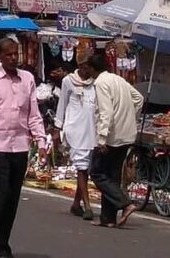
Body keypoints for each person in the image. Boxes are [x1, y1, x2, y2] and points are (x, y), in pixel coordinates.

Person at [0, 38, 46, 258]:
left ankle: (4, 239)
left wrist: (42, 141)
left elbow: (33, 114)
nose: (14, 58)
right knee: (2, 192)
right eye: (8, 54)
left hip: (20, 145)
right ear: (0, 56)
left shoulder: (27, 79)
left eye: (16, 54)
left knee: (13, 196)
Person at [88, 50, 143, 228]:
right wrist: (131, 119)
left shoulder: (101, 83)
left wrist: (102, 138)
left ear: (91, 68)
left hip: (113, 136)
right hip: (126, 135)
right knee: (111, 175)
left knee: (96, 173)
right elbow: (138, 99)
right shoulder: (118, 79)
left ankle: (125, 204)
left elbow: (106, 112)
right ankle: (108, 218)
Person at [52, 58, 97, 220]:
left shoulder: (96, 83)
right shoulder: (68, 81)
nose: (87, 72)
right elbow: (62, 105)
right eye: (86, 68)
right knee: (82, 167)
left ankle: (76, 204)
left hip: (92, 130)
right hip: (75, 129)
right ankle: (87, 206)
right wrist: (58, 128)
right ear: (81, 67)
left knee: (85, 168)